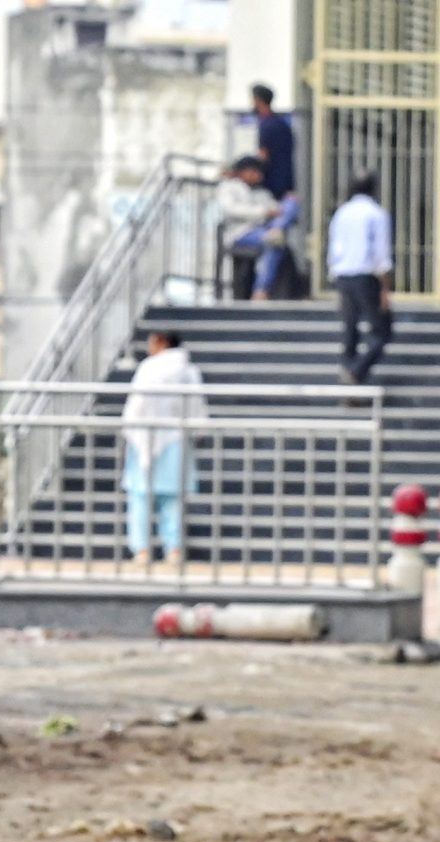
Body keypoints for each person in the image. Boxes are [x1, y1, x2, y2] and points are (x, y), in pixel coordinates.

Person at [121, 330, 208, 567]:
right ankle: (174, 550)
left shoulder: (149, 368)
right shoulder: (188, 371)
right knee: (173, 500)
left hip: (145, 437)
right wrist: (199, 431)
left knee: (140, 497)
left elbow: (136, 403)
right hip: (176, 438)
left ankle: (142, 550)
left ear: (162, 342)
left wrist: (128, 428)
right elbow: (196, 405)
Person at [327, 170, 393, 387]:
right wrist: (385, 288)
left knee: (350, 329)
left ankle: (350, 380)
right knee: (381, 330)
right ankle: (356, 371)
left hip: (343, 275)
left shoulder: (342, 213)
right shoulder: (376, 213)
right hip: (365, 275)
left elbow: (334, 248)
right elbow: (381, 254)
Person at [217, 157, 276, 301]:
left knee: (277, 242)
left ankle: (262, 289)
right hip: (240, 234)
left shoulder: (261, 192)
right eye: (255, 172)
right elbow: (230, 209)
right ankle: (261, 290)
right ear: (245, 172)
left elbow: (274, 207)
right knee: (274, 241)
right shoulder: (229, 187)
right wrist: (262, 212)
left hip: (262, 231)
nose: (259, 176)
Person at [250, 84, 297, 203]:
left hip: (271, 183)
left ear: (258, 100)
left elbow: (263, 155)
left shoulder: (267, 125)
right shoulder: (281, 123)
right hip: (286, 180)